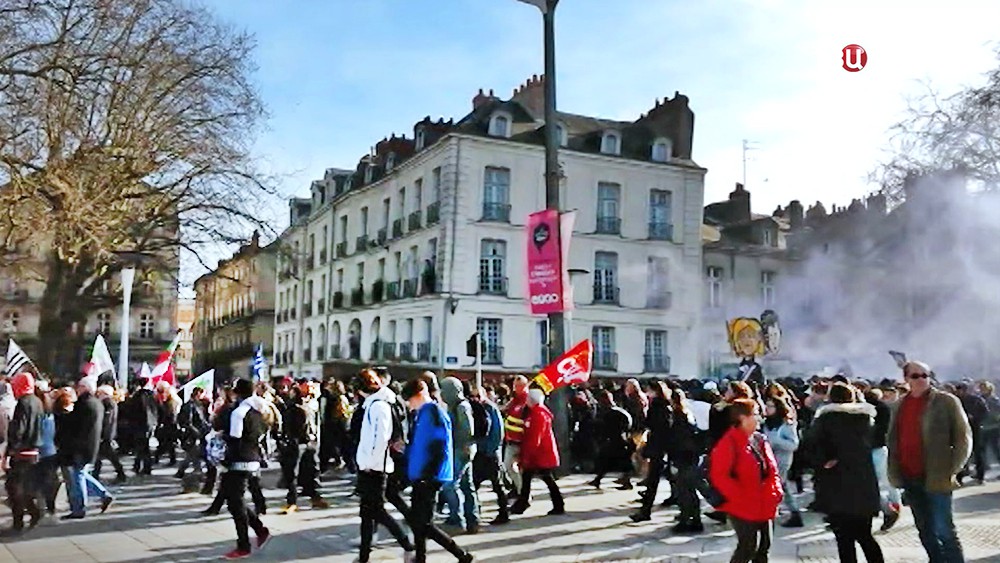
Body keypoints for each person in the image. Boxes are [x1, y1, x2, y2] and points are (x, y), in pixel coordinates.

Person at [887, 361, 971, 563]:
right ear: (906, 379)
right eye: (916, 376)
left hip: (937, 475)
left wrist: (953, 468)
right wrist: (894, 471)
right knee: (925, 530)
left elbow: (963, 437)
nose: (922, 379)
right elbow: (893, 439)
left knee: (944, 530)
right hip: (909, 476)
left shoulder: (946, 401)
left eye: (926, 375)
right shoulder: (899, 405)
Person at [401, 378, 475, 563]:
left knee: (424, 523)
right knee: (419, 522)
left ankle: (460, 554)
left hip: (429, 476)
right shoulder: (423, 414)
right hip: (421, 474)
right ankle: (421, 557)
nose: (409, 406)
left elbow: (439, 446)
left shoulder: (433, 412)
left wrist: (429, 473)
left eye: (410, 400)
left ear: (418, 395)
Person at [809, 383, 884, 563]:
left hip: (836, 484)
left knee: (844, 539)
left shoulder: (826, 419)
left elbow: (811, 448)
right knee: (865, 535)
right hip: (863, 484)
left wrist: (823, 462)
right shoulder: (866, 419)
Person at [709, 398, 782, 563]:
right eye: (755, 414)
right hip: (742, 506)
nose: (759, 418)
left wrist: (776, 491)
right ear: (742, 417)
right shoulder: (728, 443)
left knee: (764, 547)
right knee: (748, 547)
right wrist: (742, 497)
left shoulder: (759, 439)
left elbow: (772, 470)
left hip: (765, 501)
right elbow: (720, 476)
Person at [354, 369, 414, 563]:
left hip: (375, 467)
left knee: (376, 511)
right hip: (371, 465)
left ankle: (406, 543)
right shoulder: (375, 404)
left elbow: (380, 438)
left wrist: (369, 463)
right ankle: (364, 555)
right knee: (367, 512)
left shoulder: (378, 406)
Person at [216, 378, 272, 560]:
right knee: (234, 499)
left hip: (239, 461)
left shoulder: (239, 412)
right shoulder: (259, 409)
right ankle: (259, 530)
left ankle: (244, 545)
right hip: (253, 458)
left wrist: (223, 440)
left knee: (235, 503)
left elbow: (235, 439)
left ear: (237, 392)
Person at [62, 377, 114, 520]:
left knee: (78, 476)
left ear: (85, 388)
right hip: (91, 445)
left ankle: (79, 508)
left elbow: (74, 423)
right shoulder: (97, 403)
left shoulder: (83, 404)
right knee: (81, 474)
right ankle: (104, 495)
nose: (77, 389)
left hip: (81, 445)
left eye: (79, 386)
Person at [511, 389, 564, 516]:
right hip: (540, 453)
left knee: (545, 479)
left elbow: (535, 438)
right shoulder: (538, 412)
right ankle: (523, 504)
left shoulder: (538, 415)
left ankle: (558, 505)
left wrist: (526, 456)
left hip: (540, 454)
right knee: (532, 478)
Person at [3, 372, 44, 535]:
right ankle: (33, 513)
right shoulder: (37, 401)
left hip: (21, 451)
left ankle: (19, 521)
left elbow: (19, 428)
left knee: (14, 488)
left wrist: (10, 450)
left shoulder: (23, 402)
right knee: (23, 487)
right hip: (34, 449)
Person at [440, 377, 479, 533]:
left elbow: (468, 430)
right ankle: (472, 518)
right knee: (466, 486)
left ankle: (458, 519)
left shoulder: (461, 407)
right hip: (464, 449)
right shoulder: (456, 406)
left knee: (450, 485)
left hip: (461, 450)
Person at [631, 381, 672, 522]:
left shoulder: (656, 406)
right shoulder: (667, 405)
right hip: (662, 446)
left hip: (656, 445)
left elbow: (650, 423)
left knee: (653, 479)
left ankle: (645, 511)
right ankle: (645, 509)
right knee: (656, 478)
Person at [469, 385, 509, 526]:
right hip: (480, 452)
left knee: (497, 485)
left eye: (478, 396)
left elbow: (498, 432)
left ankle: (504, 512)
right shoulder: (475, 409)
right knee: (474, 484)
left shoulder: (490, 408)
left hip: (490, 453)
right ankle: (475, 510)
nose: (475, 399)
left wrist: (492, 450)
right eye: (473, 396)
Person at [762, 395, 802, 528]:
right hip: (769, 458)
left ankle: (790, 512)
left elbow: (793, 444)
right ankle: (793, 513)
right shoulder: (765, 423)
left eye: (770, 406)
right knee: (781, 486)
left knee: (779, 485)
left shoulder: (786, 424)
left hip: (782, 459)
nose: (767, 409)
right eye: (766, 406)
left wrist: (775, 440)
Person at [865, 387, 900, 531]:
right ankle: (894, 504)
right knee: (887, 480)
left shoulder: (866, 411)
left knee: (871, 483)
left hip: (872, 448)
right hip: (881, 447)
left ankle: (889, 508)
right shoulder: (885, 409)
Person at [176, 387, 211, 490]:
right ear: (198, 394)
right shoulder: (190, 406)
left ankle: (182, 471)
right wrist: (196, 432)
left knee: (193, 454)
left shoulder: (198, 405)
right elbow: (188, 422)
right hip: (193, 434)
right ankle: (197, 472)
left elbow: (202, 419)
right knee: (195, 453)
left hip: (199, 432)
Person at [501, 375, 530, 495]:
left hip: (522, 441)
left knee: (517, 468)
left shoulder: (527, 401)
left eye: (519, 386)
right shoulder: (515, 400)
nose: (516, 388)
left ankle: (522, 492)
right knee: (509, 467)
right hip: (511, 440)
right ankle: (520, 491)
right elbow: (505, 410)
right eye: (515, 386)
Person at [93, 385, 127, 484]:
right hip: (107, 434)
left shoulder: (108, 403)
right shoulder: (109, 403)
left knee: (110, 456)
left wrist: (103, 434)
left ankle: (120, 474)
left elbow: (108, 421)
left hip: (106, 435)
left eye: (99, 393)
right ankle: (96, 474)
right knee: (102, 456)